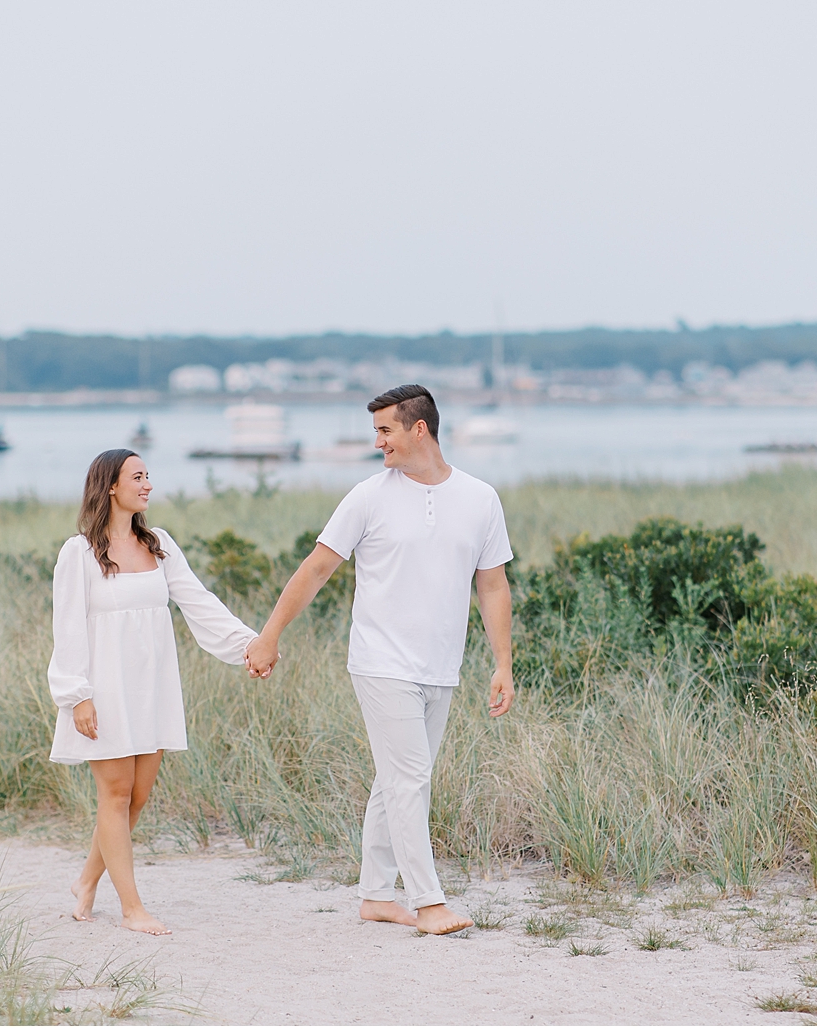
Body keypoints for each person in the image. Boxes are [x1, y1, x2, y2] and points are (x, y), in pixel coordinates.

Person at [246, 384, 515, 936]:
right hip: (380, 661)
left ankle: (374, 896)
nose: (378, 443)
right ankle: (429, 903)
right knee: (410, 779)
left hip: (442, 665)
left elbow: (492, 585)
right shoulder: (367, 496)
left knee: (395, 779)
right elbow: (317, 568)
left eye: (385, 430)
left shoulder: (481, 498)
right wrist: (269, 633)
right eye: (375, 432)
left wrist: (502, 663)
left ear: (420, 428)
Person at [49, 448, 264, 934]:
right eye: (137, 477)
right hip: (101, 690)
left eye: (148, 476)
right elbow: (67, 630)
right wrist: (76, 694)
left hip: (151, 686)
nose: (147, 485)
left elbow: (198, 603)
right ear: (110, 486)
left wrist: (249, 644)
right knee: (115, 792)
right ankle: (132, 908)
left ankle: (86, 881)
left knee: (138, 796)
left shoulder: (159, 543)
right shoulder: (78, 553)